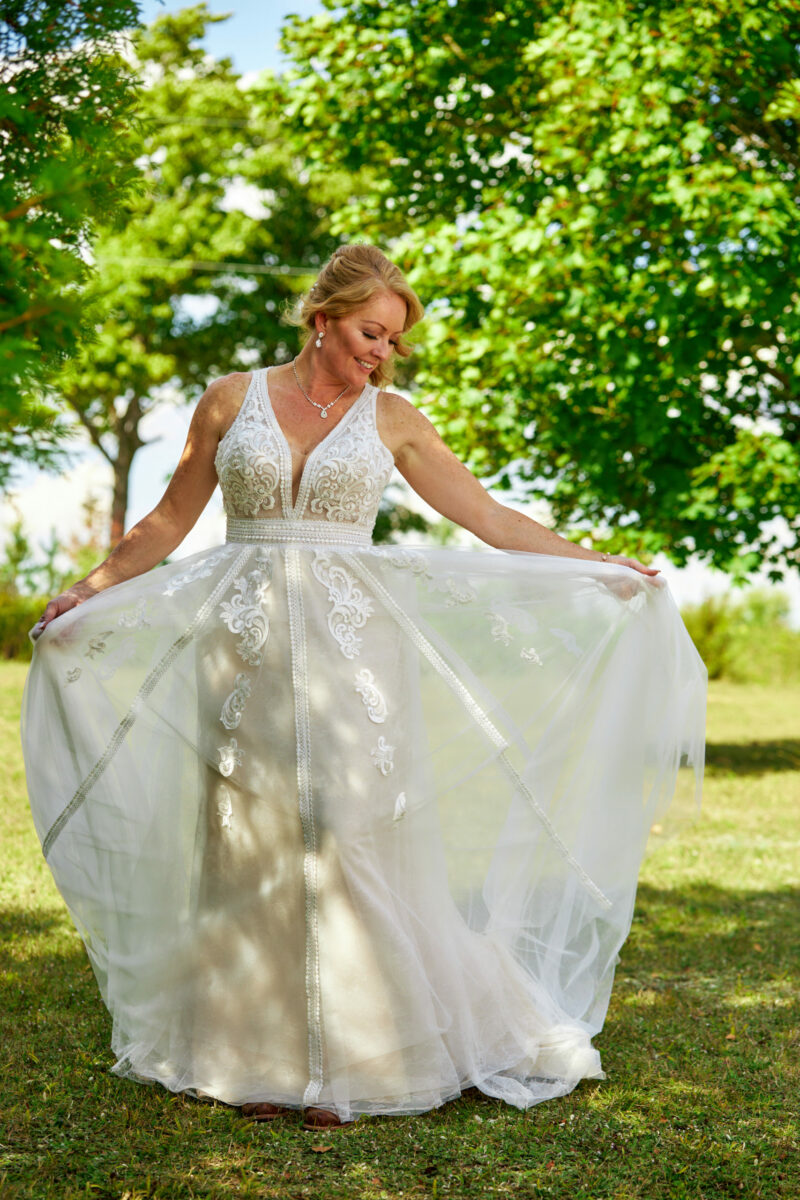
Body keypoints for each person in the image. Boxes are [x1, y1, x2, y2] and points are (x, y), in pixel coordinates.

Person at [22, 243, 706, 1131]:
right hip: (244, 651)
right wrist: (89, 588)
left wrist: (595, 565)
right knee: (250, 843)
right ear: (323, 318)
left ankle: (362, 1057)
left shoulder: (394, 418)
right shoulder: (229, 399)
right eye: (370, 333)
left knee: (350, 837)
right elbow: (167, 520)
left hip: (357, 655)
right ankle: (257, 1057)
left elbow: (486, 515)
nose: (381, 352)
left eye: (392, 341)